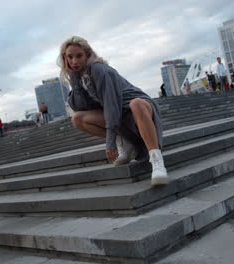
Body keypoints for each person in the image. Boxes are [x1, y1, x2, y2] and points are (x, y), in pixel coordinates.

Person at [58, 36, 168, 186]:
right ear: (64, 58)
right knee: (77, 119)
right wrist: (73, 77)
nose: (74, 61)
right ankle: (126, 141)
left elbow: (112, 106)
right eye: (70, 57)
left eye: (79, 56)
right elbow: (80, 107)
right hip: (120, 115)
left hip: (138, 108)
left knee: (136, 104)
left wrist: (110, 142)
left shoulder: (100, 70)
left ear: (88, 55)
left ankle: (157, 161)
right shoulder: (81, 77)